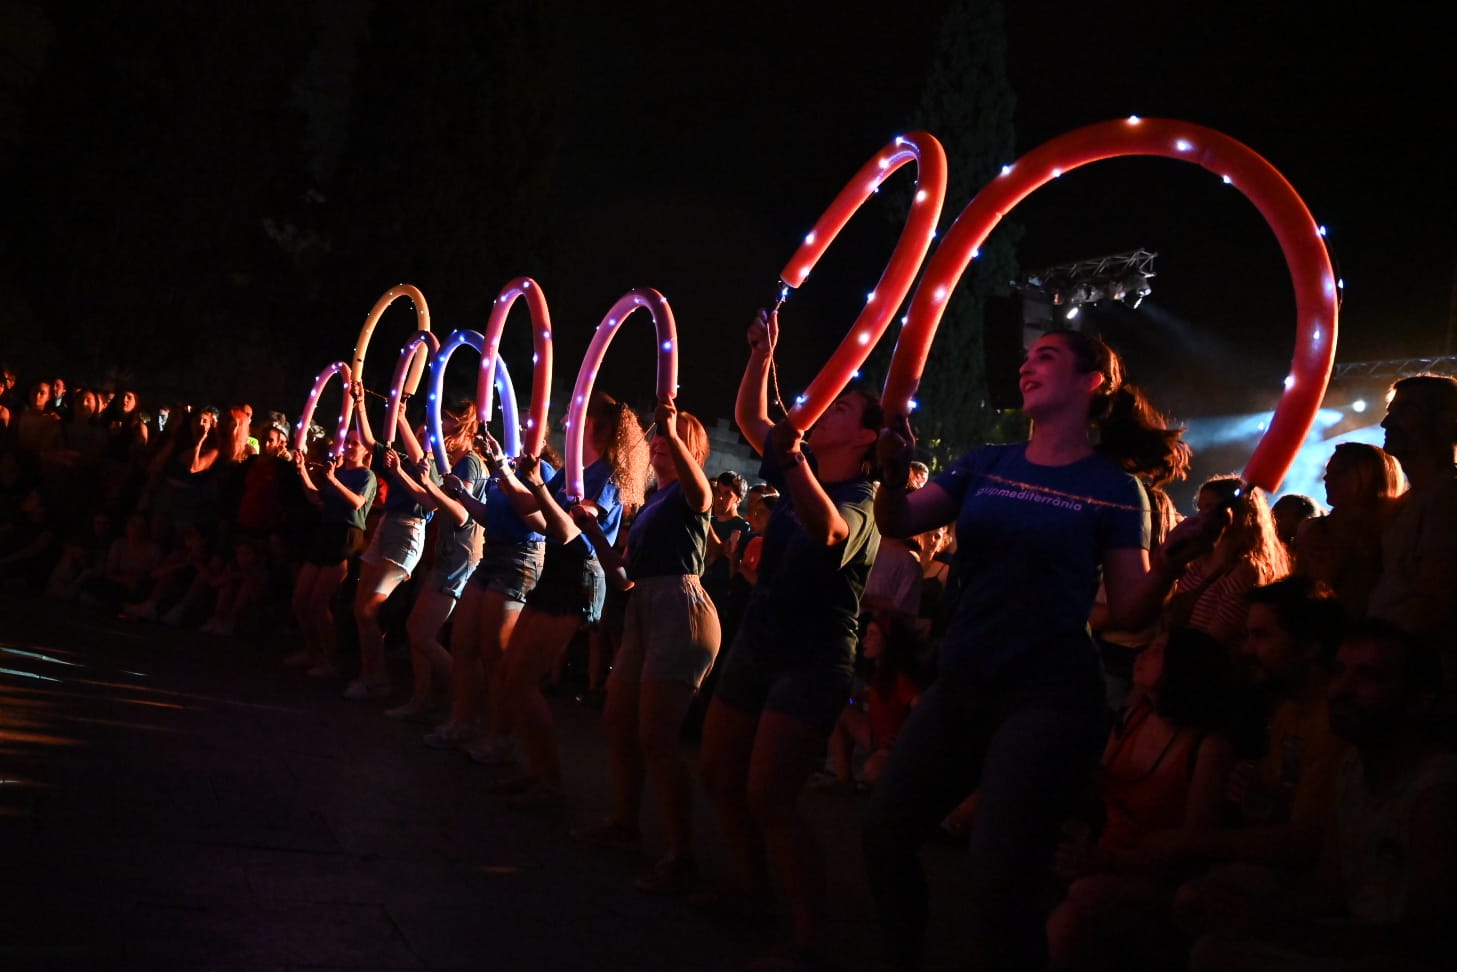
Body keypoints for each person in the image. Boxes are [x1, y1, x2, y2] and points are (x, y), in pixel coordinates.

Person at [864, 327, 1225, 971]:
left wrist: (1169, 566)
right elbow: (898, 521)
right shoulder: (985, 463)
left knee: (998, 880)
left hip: (1049, 699)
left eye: (1047, 357)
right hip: (964, 683)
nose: (1027, 365)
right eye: (1027, 357)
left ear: (1093, 382)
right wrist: (892, 476)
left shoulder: (1116, 490)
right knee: (883, 835)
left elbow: (1132, 609)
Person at [698, 308, 883, 965]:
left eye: (841, 409)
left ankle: (814, 935)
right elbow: (755, 423)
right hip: (759, 641)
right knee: (719, 773)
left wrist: (793, 458)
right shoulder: (798, 469)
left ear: (864, 437)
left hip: (811, 658)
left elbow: (828, 531)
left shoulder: (863, 500)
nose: (822, 411)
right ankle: (753, 892)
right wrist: (761, 352)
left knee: (770, 796)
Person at [1182, 619, 1457, 971]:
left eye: (1369, 676)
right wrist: (1244, 910)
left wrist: (1276, 928)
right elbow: (1332, 884)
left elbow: (1424, 938)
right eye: (1339, 671)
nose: (1342, 689)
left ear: (1419, 700)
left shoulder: (1437, 790)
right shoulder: (1352, 768)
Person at [570, 399, 720, 895]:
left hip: (681, 608)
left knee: (657, 736)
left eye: (672, 435)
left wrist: (674, 430)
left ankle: (682, 853)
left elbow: (702, 494)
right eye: (657, 435)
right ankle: (625, 823)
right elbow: (625, 574)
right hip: (643, 609)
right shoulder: (652, 501)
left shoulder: (692, 494)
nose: (658, 438)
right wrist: (592, 531)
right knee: (618, 720)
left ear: (690, 446)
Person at [487, 391, 647, 809]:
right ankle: (536, 769)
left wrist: (539, 486)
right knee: (511, 672)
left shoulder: (606, 477)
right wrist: (506, 472)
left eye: (577, 416)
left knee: (522, 679)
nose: (566, 423)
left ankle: (551, 782)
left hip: (578, 576)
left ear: (594, 424)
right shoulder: (576, 471)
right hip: (553, 572)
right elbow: (538, 514)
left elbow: (568, 531)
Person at [385, 400, 486, 718]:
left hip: (459, 558)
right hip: (448, 555)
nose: (439, 429)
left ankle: (467, 699)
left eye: (445, 422)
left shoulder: (469, 463)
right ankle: (426, 699)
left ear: (460, 426)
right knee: (419, 629)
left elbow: (458, 513)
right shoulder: (457, 463)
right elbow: (432, 501)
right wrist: (400, 473)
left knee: (422, 632)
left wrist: (426, 481)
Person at [1367, 373, 1457, 722]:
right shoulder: (1412, 502)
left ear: (1447, 421)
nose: (1386, 421)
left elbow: (1432, 603)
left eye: (1405, 411)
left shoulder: (1447, 500)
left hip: (1417, 688)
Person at [346, 384, 430, 700]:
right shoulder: (404, 459)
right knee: (359, 607)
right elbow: (369, 441)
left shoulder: (430, 466)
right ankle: (370, 674)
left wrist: (400, 414)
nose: (420, 433)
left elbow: (427, 494)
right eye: (418, 429)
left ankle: (378, 679)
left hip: (408, 533)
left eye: (425, 430)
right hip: (386, 526)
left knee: (369, 609)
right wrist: (360, 404)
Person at [288, 432, 376, 678]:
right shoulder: (337, 472)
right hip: (325, 533)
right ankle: (312, 650)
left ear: (365, 450)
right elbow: (317, 498)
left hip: (346, 536)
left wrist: (334, 481)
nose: (348, 447)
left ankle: (330, 658)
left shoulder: (366, 475)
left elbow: (358, 502)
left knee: (319, 601)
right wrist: (303, 470)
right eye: (346, 442)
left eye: (354, 444)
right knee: (300, 598)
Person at [1295, 443, 1404, 619]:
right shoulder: (1315, 530)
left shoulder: (1395, 527)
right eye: (1328, 471)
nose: (1326, 478)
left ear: (1368, 477)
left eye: (1338, 473)